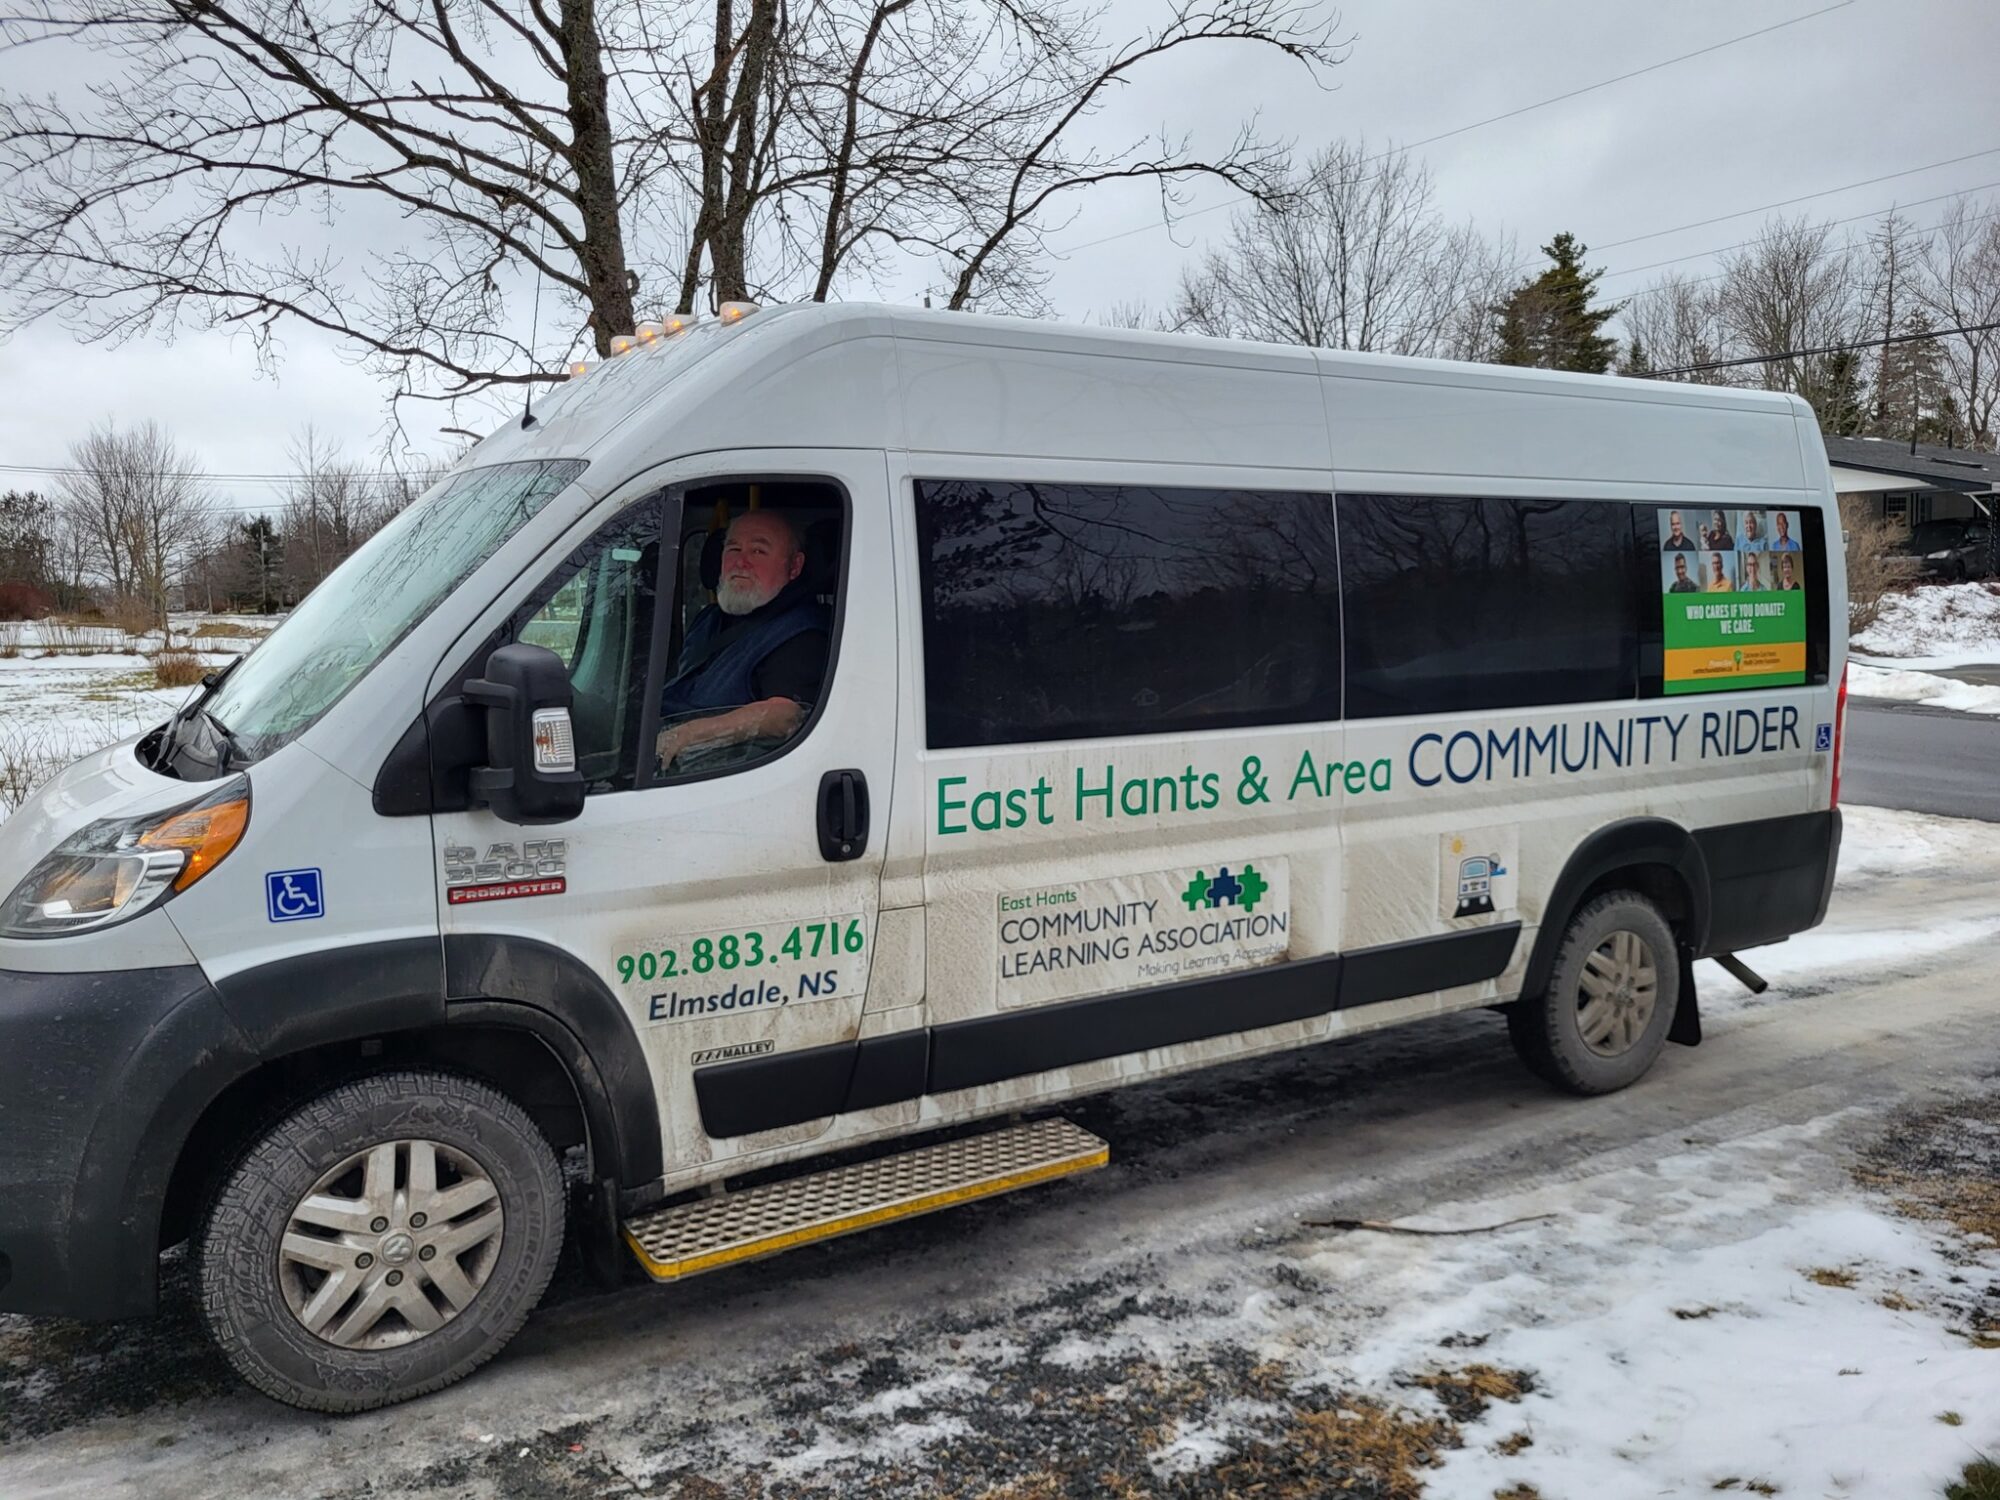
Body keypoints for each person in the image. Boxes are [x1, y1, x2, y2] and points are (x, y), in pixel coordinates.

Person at [655, 511, 830, 770]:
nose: (740, 563)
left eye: (758, 551)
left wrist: (689, 734)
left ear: (794, 567)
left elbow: (785, 715)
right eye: (733, 549)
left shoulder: (803, 633)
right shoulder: (709, 619)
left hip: (716, 774)